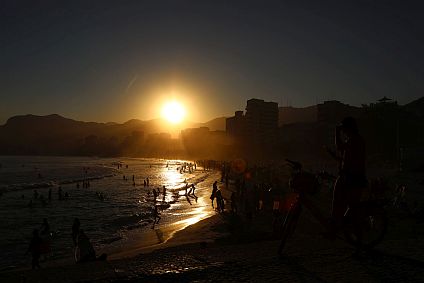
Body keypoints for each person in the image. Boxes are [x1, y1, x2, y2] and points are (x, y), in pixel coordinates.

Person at [330, 117, 367, 231]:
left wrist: (336, 132)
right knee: (351, 205)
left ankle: (336, 224)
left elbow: (340, 148)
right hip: (354, 176)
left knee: (339, 200)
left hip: (350, 176)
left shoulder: (354, 140)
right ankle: (341, 224)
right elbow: (347, 158)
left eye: (343, 128)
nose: (342, 131)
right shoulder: (356, 139)